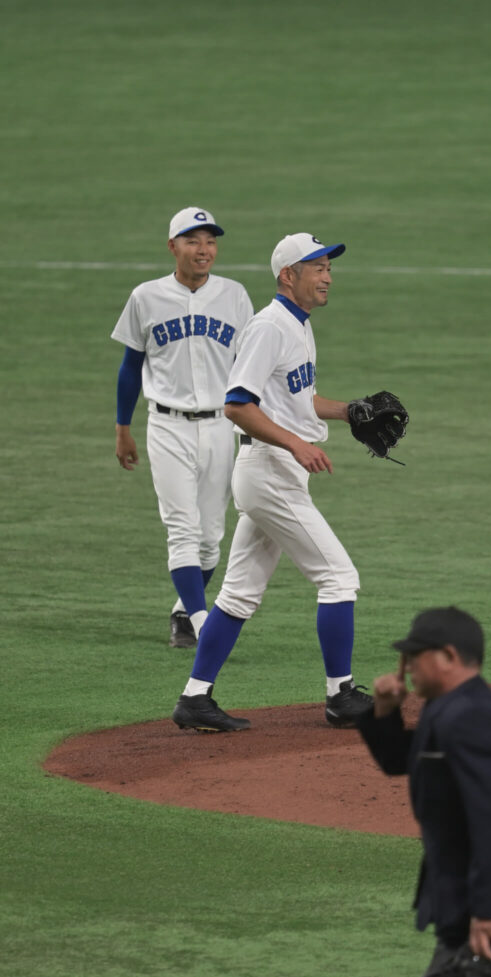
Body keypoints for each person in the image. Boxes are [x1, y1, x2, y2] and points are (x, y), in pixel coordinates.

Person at [171, 232, 374, 732]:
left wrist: (349, 411)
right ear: (288, 275)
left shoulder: (297, 326)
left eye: (329, 267)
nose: (327, 275)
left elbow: (297, 400)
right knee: (339, 578)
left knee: (238, 595)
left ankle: (195, 698)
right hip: (268, 472)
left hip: (274, 473)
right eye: (317, 267)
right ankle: (339, 696)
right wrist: (296, 444)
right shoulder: (270, 328)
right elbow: (238, 404)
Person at [357, 606, 491, 977]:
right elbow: (400, 760)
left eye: (414, 656)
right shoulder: (448, 708)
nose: (405, 666)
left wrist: (490, 911)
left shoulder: (474, 717)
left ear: (448, 657)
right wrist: (386, 710)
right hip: (467, 908)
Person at [111, 207, 253, 648]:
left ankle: (181, 609)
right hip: (166, 426)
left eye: (210, 241)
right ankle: (201, 620)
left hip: (220, 428)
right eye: (193, 240)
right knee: (182, 528)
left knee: (211, 538)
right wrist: (122, 428)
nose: (203, 249)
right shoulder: (146, 297)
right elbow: (130, 367)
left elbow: (251, 367)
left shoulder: (235, 296)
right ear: (173, 246)